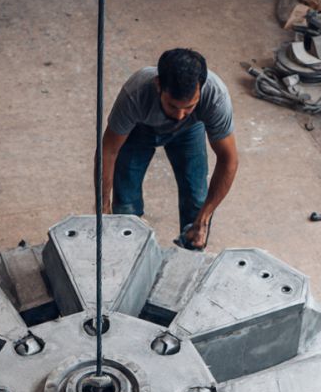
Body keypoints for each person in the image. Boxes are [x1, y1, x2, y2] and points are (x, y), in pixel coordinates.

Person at [101, 47, 238, 249]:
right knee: (125, 204)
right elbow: (108, 151)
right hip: (140, 130)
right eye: (173, 105)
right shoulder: (136, 92)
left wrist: (204, 218)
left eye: (189, 106)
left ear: (201, 89)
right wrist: (103, 206)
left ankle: (191, 253)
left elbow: (229, 160)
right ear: (159, 85)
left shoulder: (215, 96)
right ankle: (128, 252)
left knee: (196, 200)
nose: (180, 115)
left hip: (189, 131)